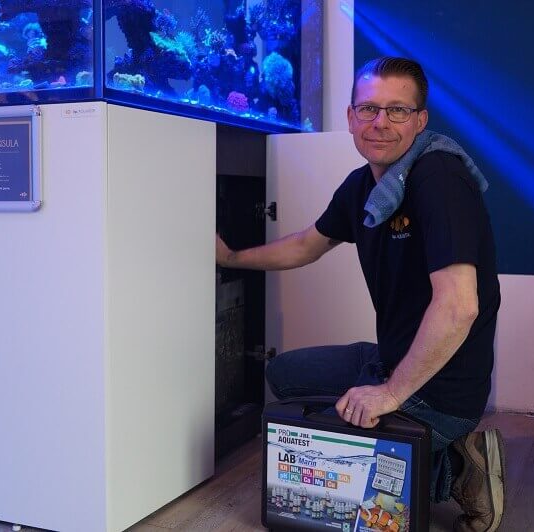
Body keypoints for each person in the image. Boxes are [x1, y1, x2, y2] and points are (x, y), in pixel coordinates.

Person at [216, 57, 504, 531]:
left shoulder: (439, 179)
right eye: (368, 109)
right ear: (350, 117)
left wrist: (388, 394)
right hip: (391, 357)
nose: (380, 123)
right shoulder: (362, 187)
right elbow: (305, 245)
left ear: (420, 120)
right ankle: (426, 447)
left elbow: (459, 307)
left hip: (442, 389)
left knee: (359, 483)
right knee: (284, 375)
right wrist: (230, 257)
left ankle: (458, 467)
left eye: (397, 110)